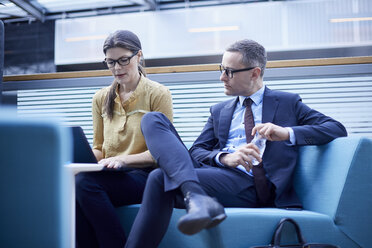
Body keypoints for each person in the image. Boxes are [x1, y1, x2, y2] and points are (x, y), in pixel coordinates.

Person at [124, 39, 348, 248]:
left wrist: (286, 132)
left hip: (253, 184)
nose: (222, 77)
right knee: (152, 119)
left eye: (229, 72)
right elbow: (196, 152)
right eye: (221, 69)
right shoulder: (220, 111)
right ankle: (197, 196)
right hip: (218, 175)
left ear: (255, 73)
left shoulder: (287, 103)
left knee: (159, 177)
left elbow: (335, 128)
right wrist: (225, 157)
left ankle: (195, 197)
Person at [75, 30, 173, 248]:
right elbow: (100, 148)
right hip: (112, 174)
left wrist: (123, 160)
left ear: (138, 56)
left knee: (84, 184)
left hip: (145, 176)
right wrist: (77, 160)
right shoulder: (100, 98)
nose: (117, 68)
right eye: (110, 62)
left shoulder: (158, 93)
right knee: (73, 184)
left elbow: (160, 153)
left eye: (123, 60)